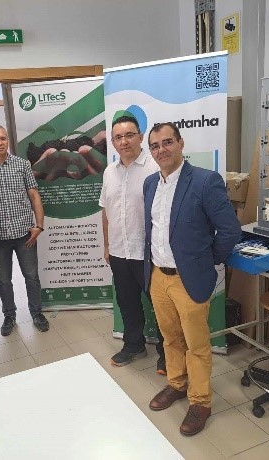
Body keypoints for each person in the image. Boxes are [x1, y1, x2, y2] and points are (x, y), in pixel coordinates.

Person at [143, 123, 241, 436]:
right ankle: (177, 384)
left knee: (196, 345)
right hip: (158, 275)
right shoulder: (150, 184)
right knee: (170, 337)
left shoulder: (204, 181)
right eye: (155, 145)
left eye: (167, 142)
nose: (161, 150)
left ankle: (200, 402)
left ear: (180, 143)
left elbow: (229, 230)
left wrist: (207, 261)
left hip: (189, 280)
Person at [99, 115, 166, 373]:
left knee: (160, 305)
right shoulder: (109, 172)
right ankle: (134, 345)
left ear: (140, 136)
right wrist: (107, 245)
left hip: (149, 253)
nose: (124, 141)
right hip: (119, 252)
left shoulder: (155, 167)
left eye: (129, 135)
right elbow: (106, 211)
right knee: (127, 303)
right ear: (113, 142)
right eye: (118, 137)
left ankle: (167, 353)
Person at [0, 125, 50, 336]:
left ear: (8, 141)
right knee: (4, 280)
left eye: (3, 138)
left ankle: (37, 313)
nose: (0, 142)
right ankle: (9, 315)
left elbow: (34, 195)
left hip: (25, 234)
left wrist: (39, 225)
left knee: (31, 276)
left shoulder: (22, 164)